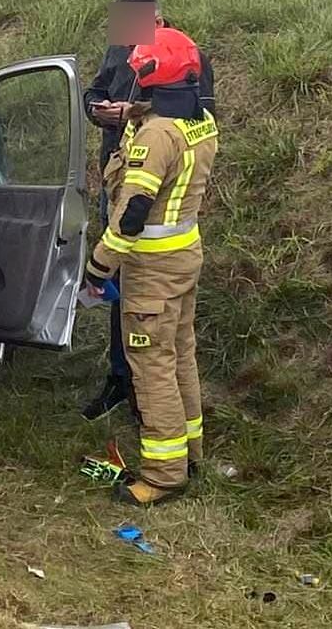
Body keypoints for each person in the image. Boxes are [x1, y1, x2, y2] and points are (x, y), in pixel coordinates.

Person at [84, 26, 219, 507]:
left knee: (151, 365)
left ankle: (163, 474)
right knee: (181, 355)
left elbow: (133, 211)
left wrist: (99, 265)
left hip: (152, 269)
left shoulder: (157, 136)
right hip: (185, 257)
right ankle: (190, 451)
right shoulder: (200, 123)